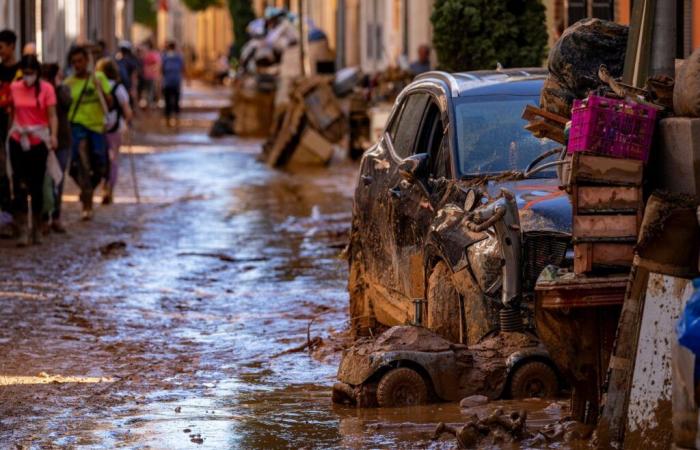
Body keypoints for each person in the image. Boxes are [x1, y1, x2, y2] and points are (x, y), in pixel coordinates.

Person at [7, 55, 58, 246]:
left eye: (31, 73)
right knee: (18, 185)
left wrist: (53, 135)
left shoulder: (47, 89)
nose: (28, 77)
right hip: (18, 140)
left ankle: (36, 227)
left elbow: (52, 115)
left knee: (36, 186)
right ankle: (21, 229)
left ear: (37, 73)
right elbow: (11, 113)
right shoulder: (14, 88)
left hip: (38, 141)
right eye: (25, 73)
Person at [64, 46, 112, 220]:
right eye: (74, 62)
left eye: (80, 61)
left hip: (97, 127)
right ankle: (87, 199)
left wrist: (100, 89)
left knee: (101, 164)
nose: (77, 65)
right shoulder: (68, 83)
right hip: (77, 126)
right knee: (81, 163)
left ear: (87, 61)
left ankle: (88, 189)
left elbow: (110, 102)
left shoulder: (98, 78)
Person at [96, 57, 132, 204]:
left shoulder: (96, 86)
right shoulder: (119, 88)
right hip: (115, 128)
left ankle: (102, 184)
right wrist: (127, 123)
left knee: (100, 157)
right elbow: (127, 111)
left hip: (98, 127)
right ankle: (109, 187)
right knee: (114, 159)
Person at [40, 63, 71, 233]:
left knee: (58, 179)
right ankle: (45, 217)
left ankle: (56, 216)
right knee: (45, 181)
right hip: (41, 139)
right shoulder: (38, 91)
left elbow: (67, 103)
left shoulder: (62, 90)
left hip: (62, 141)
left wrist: (58, 87)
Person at [0, 29, 20, 229]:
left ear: (12, 46)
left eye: (2, 47)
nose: (0, 52)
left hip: (20, 126)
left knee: (19, 171)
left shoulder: (23, 71)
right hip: (1, 125)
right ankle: (7, 212)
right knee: (1, 169)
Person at [161, 41, 184, 127]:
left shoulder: (165, 57)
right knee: (176, 99)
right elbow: (182, 68)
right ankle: (176, 119)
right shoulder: (179, 57)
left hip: (167, 81)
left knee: (167, 100)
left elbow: (162, 69)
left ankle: (168, 119)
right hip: (176, 81)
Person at [140, 40, 160, 109]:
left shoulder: (149, 54)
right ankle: (149, 104)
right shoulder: (151, 54)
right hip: (149, 75)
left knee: (149, 91)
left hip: (149, 75)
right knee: (149, 91)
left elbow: (156, 65)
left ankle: (149, 104)